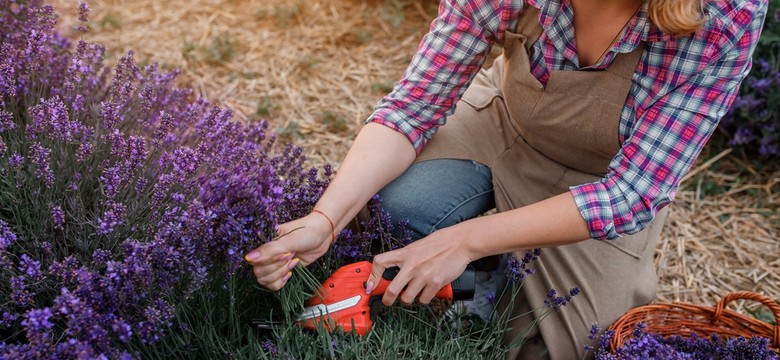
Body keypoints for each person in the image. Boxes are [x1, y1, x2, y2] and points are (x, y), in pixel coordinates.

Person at [245, 0, 768, 358]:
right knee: (399, 211)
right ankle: (467, 277)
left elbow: (632, 192)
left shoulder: (725, 13)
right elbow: (413, 106)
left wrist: (465, 240)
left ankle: (483, 281)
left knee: (577, 342)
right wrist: (326, 218)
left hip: (597, 183)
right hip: (502, 124)